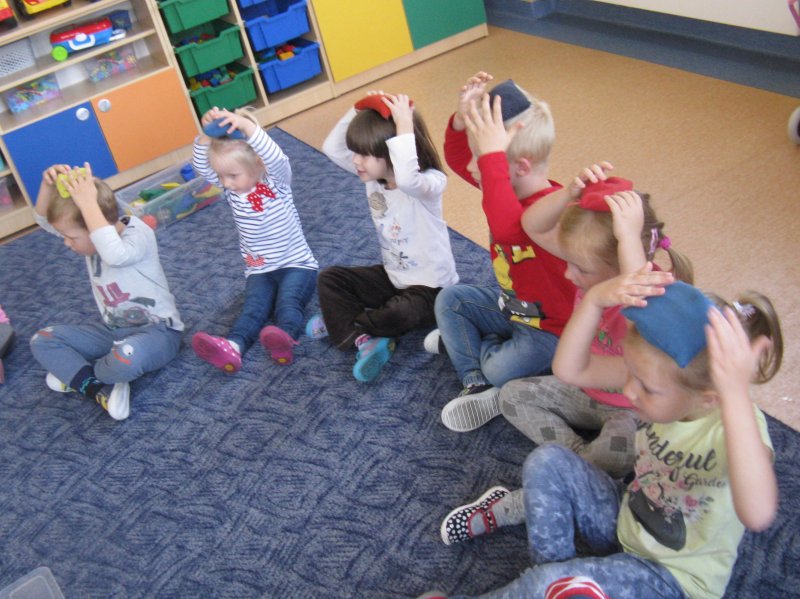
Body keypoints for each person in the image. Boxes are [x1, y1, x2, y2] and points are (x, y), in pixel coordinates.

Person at [427, 276, 782, 599]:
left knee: (550, 586)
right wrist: (594, 300)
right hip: (626, 521)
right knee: (548, 461)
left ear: (709, 398)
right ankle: (556, 580)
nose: (628, 391)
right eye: (632, 375)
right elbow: (570, 369)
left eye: (646, 388)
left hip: (671, 579)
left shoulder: (737, 424)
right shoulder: (667, 379)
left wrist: (734, 395)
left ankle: (553, 586)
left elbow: (757, 513)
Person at [444, 174, 692, 479]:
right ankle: (578, 456)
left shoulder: (650, 294)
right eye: (569, 263)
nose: (567, 274)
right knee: (511, 396)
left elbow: (639, 303)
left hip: (631, 409)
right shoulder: (595, 264)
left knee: (620, 451)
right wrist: (568, 193)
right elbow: (532, 226)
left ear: (619, 265)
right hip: (582, 387)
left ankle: (584, 466)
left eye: (580, 269)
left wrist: (629, 239)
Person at [429, 72, 576, 411]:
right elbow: (458, 160)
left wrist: (491, 157)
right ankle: (474, 378)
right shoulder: (503, 184)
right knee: (450, 300)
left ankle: (474, 353)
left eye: (481, 158)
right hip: (513, 307)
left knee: (499, 369)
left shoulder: (551, 213)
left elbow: (508, 228)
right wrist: (461, 121)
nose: (472, 166)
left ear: (519, 167)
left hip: (552, 330)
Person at [310, 91, 458, 382]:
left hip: (432, 290)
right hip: (394, 277)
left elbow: (407, 178)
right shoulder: (374, 179)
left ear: (392, 153)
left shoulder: (429, 183)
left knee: (401, 313)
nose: (356, 161)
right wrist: (358, 109)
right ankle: (361, 335)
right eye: (356, 153)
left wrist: (404, 125)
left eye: (364, 155)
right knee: (330, 278)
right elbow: (332, 148)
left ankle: (346, 322)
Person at [29, 164, 184, 420]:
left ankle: (79, 375)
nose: (66, 243)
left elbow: (115, 255)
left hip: (160, 332)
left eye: (72, 238)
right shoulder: (91, 238)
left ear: (94, 227)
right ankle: (97, 388)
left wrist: (87, 202)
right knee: (42, 340)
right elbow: (44, 220)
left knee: (123, 359)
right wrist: (47, 187)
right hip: (112, 332)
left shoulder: (138, 233)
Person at [191, 106, 318, 372]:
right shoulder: (231, 191)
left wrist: (248, 127)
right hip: (259, 270)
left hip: (297, 265)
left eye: (232, 176)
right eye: (222, 176)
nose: (225, 183)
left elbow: (277, 157)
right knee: (252, 309)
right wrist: (205, 135)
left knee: (288, 303)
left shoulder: (277, 182)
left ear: (258, 164)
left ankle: (284, 337)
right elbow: (201, 166)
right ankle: (234, 346)